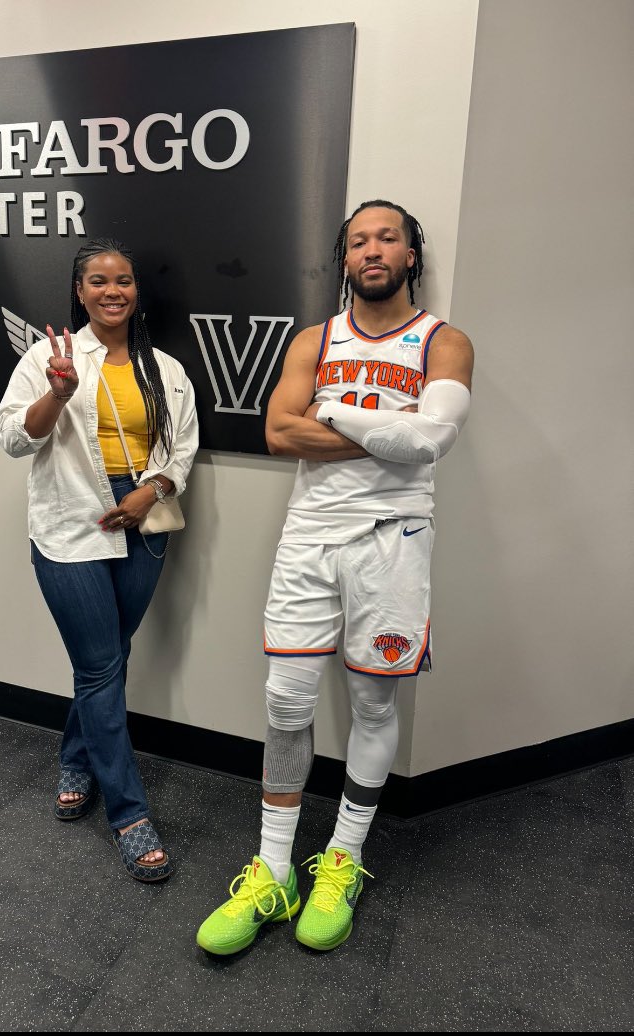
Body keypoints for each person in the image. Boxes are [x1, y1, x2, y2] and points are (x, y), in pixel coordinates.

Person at [197, 200, 473, 951]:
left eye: (388, 238)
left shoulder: (442, 343)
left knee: (373, 708)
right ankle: (275, 868)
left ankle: (344, 858)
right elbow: (279, 431)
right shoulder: (313, 339)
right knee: (286, 704)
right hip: (309, 540)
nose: (372, 250)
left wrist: (336, 410)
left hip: (393, 543)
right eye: (358, 241)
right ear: (343, 259)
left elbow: (430, 441)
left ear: (412, 254)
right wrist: (388, 425)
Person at [0, 238, 198, 882]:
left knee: (106, 660)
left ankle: (77, 762)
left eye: (125, 281)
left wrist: (151, 490)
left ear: (137, 292)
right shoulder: (48, 357)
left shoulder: (164, 368)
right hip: (70, 524)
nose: (114, 291)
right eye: (99, 282)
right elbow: (10, 438)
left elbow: (182, 446)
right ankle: (130, 814)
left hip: (144, 519)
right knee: (103, 665)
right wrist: (57, 395)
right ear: (79, 292)